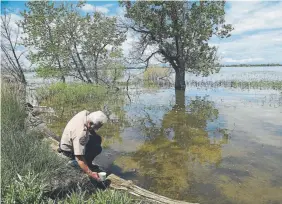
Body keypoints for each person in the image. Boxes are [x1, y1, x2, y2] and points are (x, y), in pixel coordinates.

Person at [58, 110, 108, 182]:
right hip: (68, 152)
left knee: (97, 138)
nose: (96, 129)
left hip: (68, 140)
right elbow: (79, 158)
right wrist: (90, 173)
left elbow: (90, 127)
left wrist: (93, 132)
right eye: (96, 127)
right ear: (90, 123)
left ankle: (88, 163)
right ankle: (88, 165)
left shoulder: (85, 114)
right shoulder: (81, 134)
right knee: (97, 148)